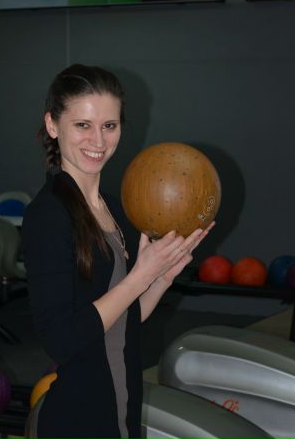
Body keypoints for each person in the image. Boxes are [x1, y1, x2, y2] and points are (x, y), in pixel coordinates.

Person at [22, 64, 213, 439]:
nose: (98, 140)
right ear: (52, 125)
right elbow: (60, 340)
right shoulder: (47, 215)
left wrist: (161, 278)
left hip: (122, 411)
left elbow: (122, 321)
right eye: (83, 125)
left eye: (109, 125)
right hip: (77, 420)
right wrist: (141, 276)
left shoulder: (115, 208)